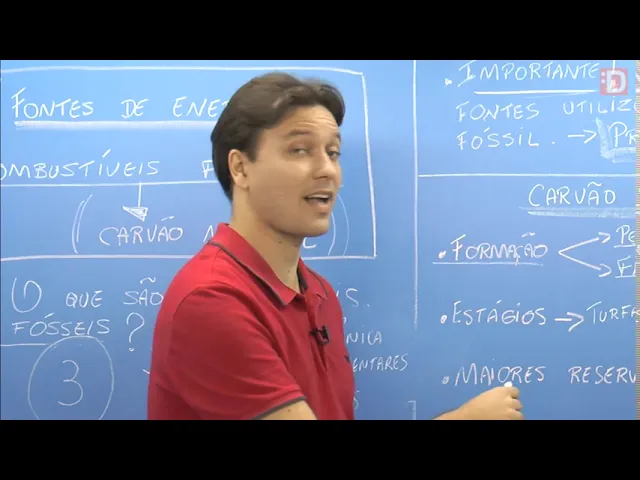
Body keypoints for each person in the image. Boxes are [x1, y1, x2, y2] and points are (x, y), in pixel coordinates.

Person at [147, 72, 524, 420]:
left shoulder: (319, 294)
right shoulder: (211, 299)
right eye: (299, 150)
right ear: (241, 168)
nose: (327, 169)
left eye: (333, 152)